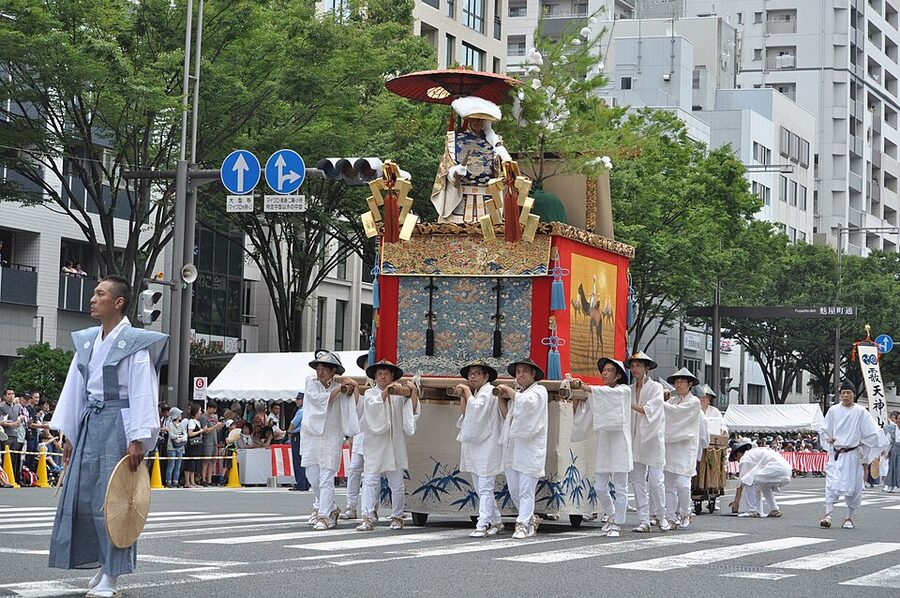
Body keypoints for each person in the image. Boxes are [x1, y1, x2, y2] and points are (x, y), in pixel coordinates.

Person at [47, 275, 167, 598]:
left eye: (100, 293)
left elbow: (143, 390)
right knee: (86, 498)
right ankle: (103, 562)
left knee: (116, 501)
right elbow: (75, 389)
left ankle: (113, 576)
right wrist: (69, 433)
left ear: (119, 303)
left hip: (119, 423)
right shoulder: (87, 341)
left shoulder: (134, 343)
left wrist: (139, 437)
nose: (92, 298)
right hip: (90, 421)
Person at [572, 358, 632, 537]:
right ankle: (612, 515)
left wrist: (585, 387)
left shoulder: (624, 390)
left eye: (609, 370)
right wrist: (577, 399)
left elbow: (607, 394)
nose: (604, 373)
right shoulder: (599, 394)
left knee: (621, 487)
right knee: (599, 486)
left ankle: (617, 523)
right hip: (604, 443)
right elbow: (587, 412)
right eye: (603, 370)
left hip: (620, 442)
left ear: (618, 375)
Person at [356, 360, 419, 532]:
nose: (383, 376)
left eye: (386, 373)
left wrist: (412, 392)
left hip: (394, 442)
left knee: (397, 483)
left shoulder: (399, 393)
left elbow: (411, 413)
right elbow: (372, 409)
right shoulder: (369, 393)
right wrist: (386, 393)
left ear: (392, 376)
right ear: (375, 377)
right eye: (380, 374)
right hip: (375, 444)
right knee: (369, 480)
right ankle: (367, 517)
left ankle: (397, 516)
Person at [431, 96, 512, 224]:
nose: (478, 123)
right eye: (475, 119)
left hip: (488, 200)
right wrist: (455, 172)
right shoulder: (455, 140)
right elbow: (444, 169)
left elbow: (503, 173)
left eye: (481, 120)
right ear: (468, 119)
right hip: (460, 199)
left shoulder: (495, 143)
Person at [302, 351, 359, 531]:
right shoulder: (310, 383)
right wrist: (339, 389)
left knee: (326, 477)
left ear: (333, 371)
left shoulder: (341, 387)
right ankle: (331, 508)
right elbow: (319, 401)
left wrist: (354, 387)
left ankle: (325, 515)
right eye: (318, 368)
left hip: (331, 436)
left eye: (324, 369)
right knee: (312, 477)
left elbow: (354, 405)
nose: (320, 372)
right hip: (311, 435)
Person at [819, 380, 887, 529]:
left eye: (848, 393)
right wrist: (827, 438)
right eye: (843, 393)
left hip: (852, 455)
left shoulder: (861, 411)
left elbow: (872, 431)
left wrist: (871, 442)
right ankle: (828, 514)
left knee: (853, 487)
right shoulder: (833, 410)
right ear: (840, 394)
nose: (845, 395)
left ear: (854, 394)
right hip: (836, 454)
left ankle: (849, 517)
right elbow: (824, 429)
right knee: (831, 484)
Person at [496, 357, 548, 540]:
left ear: (533, 374)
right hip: (514, 447)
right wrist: (502, 400)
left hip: (530, 448)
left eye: (525, 371)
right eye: (518, 372)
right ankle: (530, 518)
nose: (521, 374)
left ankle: (522, 524)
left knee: (526, 489)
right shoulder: (520, 394)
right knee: (515, 489)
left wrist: (510, 392)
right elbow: (508, 418)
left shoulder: (539, 391)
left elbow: (528, 404)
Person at [456, 359, 504, 538]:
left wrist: (467, 391)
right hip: (476, 445)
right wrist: (465, 395)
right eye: (470, 374)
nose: (472, 376)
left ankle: (482, 524)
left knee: (485, 486)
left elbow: (476, 410)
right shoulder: (477, 393)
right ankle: (497, 521)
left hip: (488, 445)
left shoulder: (489, 391)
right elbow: (467, 415)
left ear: (486, 376)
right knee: (480, 487)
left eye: (476, 373)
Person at [626, 352, 669, 532]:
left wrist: (626, 404)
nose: (635, 369)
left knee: (656, 481)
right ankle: (644, 520)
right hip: (634, 437)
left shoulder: (656, 388)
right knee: (637, 481)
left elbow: (650, 410)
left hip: (652, 439)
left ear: (646, 368)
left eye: (639, 366)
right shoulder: (628, 389)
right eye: (633, 366)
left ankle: (661, 515)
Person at [662, 368, 707, 530]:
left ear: (690, 384)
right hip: (670, 446)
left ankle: (685, 512)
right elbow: (664, 413)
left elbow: (677, 414)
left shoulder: (693, 402)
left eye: (682, 381)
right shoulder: (671, 401)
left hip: (685, 447)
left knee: (683, 484)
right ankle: (670, 516)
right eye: (676, 381)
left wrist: (659, 402)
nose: (678, 384)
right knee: (669, 485)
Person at [340, 353, 370, 519]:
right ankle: (351, 506)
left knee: (372, 475)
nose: (368, 366)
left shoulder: (383, 386)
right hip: (360, 434)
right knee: (353, 470)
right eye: (367, 364)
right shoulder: (361, 384)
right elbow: (356, 409)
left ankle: (370, 508)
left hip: (378, 435)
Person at [728, 440, 792, 518]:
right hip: (786, 470)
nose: (737, 462)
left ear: (737, 454)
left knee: (748, 479)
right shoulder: (754, 453)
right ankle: (774, 509)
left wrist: (736, 501)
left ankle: (751, 511)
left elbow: (741, 482)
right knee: (763, 484)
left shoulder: (745, 458)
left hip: (776, 469)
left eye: (736, 459)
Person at [287, 393, 309, 491]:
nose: (297, 401)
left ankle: (300, 483)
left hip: (298, 435)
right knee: (305, 460)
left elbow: (293, 424)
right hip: (306, 435)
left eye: (299, 399)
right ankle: (306, 483)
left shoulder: (301, 411)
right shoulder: (309, 410)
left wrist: (288, 432)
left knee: (298, 460)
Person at [199, 402, 223, 486]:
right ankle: (203, 479)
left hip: (214, 441)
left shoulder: (214, 417)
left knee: (212, 461)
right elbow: (205, 431)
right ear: (209, 408)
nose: (214, 411)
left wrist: (219, 426)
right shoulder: (203, 417)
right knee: (206, 461)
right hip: (207, 442)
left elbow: (216, 430)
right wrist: (215, 426)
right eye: (213, 409)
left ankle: (209, 479)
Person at [165, 407, 187, 488]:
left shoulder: (181, 425)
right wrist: (180, 436)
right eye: (179, 414)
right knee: (171, 464)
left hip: (180, 446)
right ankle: (168, 481)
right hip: (171, 447)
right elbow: (171, 435)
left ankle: (175, 481)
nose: (180, 415)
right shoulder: (170, 424)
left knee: (178, 465)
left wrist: (179, 438)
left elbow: (185, 435)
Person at [183, 404, 203, 488]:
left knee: (194, 463)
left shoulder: (197, 422)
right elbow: (190, 434)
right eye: (200, 411)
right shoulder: (191, 421)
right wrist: (200, 431)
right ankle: (187, 482)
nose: (201, 412)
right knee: (190, 463)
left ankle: (192, 481)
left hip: (197, 445)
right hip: (192, 445)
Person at [883, 411, 900, 492]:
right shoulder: (892, 429)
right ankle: (891, 485)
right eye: (899, 419)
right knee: (892, 467)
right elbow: (888, 441)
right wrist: (886, 451)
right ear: (896, 420)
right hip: (894, 449)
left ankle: (898, 485)